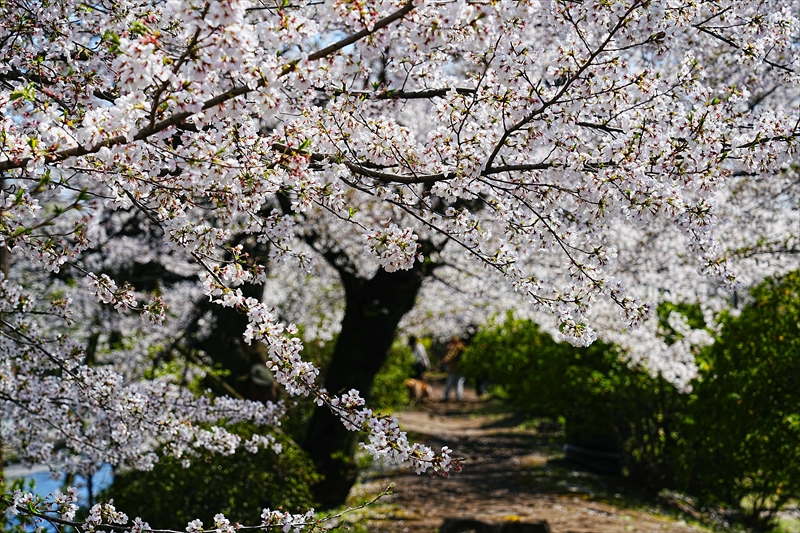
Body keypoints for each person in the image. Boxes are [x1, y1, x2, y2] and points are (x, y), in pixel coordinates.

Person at [440, 336, 466, 401]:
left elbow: (451, 355)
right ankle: (459, 396)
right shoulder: (463, 347)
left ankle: (446, 396)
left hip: (453, 368)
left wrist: (445, 359)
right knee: (459, 382)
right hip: (461, 368)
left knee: (450, 382)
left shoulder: (455, 347)